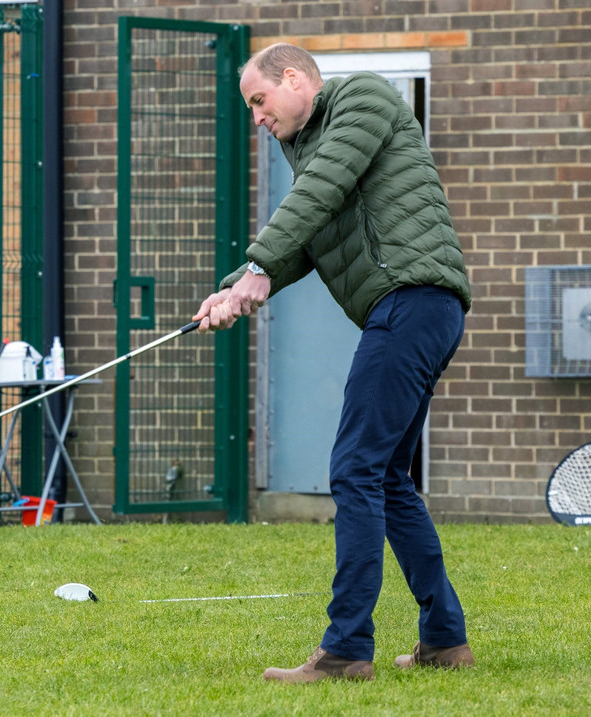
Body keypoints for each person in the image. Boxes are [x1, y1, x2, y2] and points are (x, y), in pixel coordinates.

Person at [193, 43, 475, 682]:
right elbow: (307, 236)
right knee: (386, 477)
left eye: (259, 101)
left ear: (293, 78)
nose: (258, 118)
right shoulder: (308, 150)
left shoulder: (363, 97)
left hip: (412, 301)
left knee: (354, 469)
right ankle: (444, 638)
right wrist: (233, 287)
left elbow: (319, 192)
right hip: (413, 310)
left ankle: (347, 647)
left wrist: (258, 267)